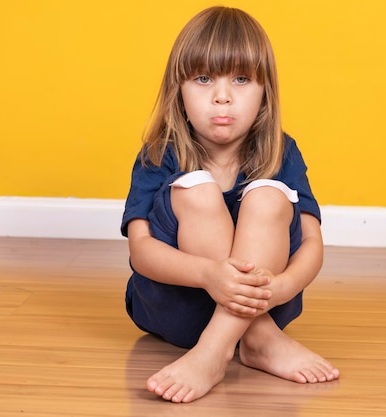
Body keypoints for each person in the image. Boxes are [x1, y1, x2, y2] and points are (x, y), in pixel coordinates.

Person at [120, 6, 340, 403]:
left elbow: (311, 241)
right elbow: (140, 251)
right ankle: (252, 339)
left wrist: (283, 287)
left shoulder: (282, 152)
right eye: (203, 79)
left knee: (269, 194)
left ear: (264, 92)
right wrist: (208, 275)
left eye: (241, 79)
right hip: (178, 307)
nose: (222, 96)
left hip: (266, 303)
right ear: (179, 90)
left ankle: (227, 344)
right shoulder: (159, 154)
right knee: (196, 189)